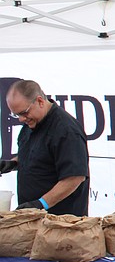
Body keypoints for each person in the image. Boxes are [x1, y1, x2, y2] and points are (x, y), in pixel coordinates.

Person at [2, 80, 89, 215]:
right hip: (34, 219)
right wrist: (12, 163)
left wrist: (41, 204)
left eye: (23, 113)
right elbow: (38, 155)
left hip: (62, 224)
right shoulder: (31, 124)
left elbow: (74, 177)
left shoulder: (66, 130)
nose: (20, 119)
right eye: (16, 115)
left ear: (40, 101)